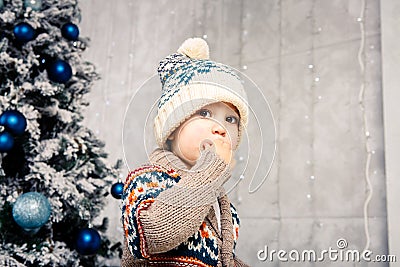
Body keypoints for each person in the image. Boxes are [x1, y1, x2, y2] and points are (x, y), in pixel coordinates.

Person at [121, 37, 250, 267]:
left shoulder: (224, 208)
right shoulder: (146, 180)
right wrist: (209, 171)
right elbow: (155, 234)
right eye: (205, 113)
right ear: (172, 129)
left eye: (230, 119)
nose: (220, 128)